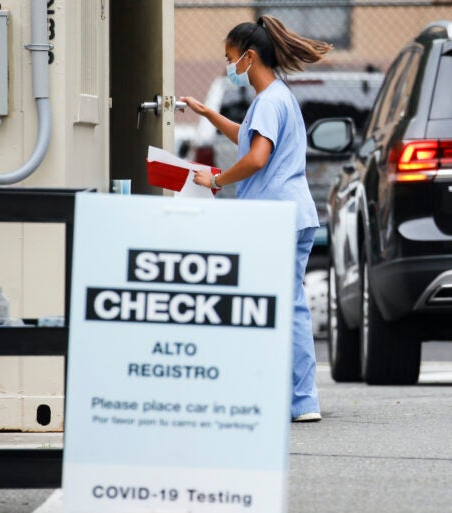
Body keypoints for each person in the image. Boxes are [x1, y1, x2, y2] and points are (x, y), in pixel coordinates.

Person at [180, 15, 331, 423]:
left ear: (248, 57)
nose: (229, 67)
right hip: (288, 213)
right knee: (287, 304)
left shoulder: (269, 101)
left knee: (288, 306)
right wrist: (208, 115)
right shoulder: (276, 98)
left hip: (277, 216)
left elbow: (256, 157)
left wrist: (215, 178)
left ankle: (301, 401)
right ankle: (293, 397)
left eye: (230, 58)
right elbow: (247, 137)